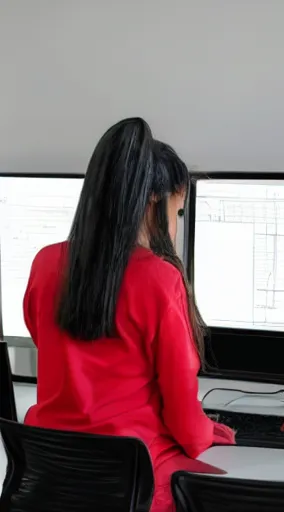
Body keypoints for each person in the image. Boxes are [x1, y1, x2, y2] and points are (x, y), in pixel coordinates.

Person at [23, 118, 236, 512]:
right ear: (158, 200)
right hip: (133, 487)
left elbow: (47, 344)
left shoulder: (45, 263)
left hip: (52, 479)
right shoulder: (159, 279)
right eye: (180, 209)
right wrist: (209, 431)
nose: (177, 223)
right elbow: (184, 420)